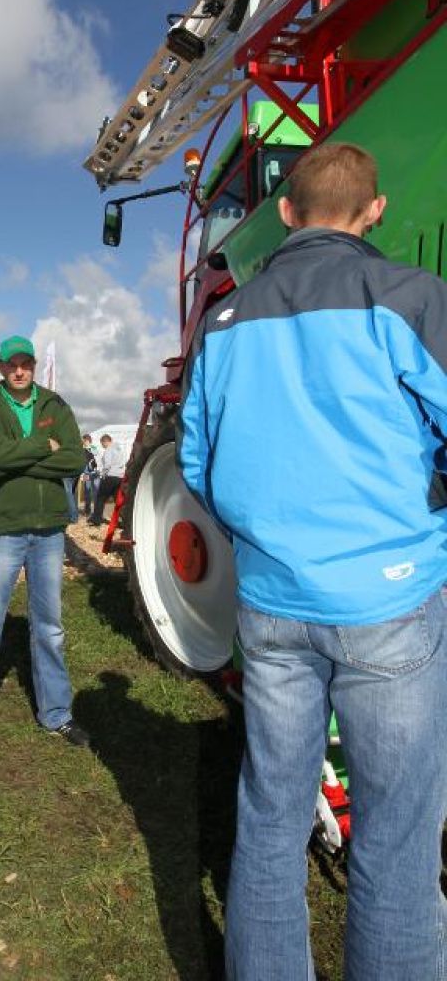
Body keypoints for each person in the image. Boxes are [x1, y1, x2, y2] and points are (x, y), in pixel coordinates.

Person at [179, 143, 447, 981]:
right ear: (374, 212)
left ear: (285, 213)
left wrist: (264, 536)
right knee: (397, 833)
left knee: (269, 815)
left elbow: (198, 465)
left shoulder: (222, 323)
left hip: (269, 604)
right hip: (390, 598)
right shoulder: (410, 296)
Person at [0, 335, 89, 768]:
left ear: (32, 365)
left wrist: (18, 458)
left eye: (26, 363)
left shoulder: (55, 404)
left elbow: (75, 459)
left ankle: (57, 714)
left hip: (48, 532)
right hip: (1, 531)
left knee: (49, 627)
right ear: (0, 367)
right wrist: (39, 449)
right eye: (12, 364)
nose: (19, 370)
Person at [88, 433, 125, 526]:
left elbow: (107, 464)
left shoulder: (109, 450)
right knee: (118, 499)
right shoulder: (119, 449)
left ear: (105, 441)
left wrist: (102, 474)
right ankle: (124, 520)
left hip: (110, 476)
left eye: (102, 444)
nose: (102, 446)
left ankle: (96, 519)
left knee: (101, 498)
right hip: (119, 477)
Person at [79, 433, 100, 517]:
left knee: (96, 491)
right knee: (87, 491)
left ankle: (96, 511)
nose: (84, 442)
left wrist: (89, 448)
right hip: (86, 472)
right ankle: (87, 510)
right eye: (83, 441)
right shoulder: (81, 449)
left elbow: (97, 456)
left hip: (94, 472)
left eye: (85, 440)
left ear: (88, 440)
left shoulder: (93, 448)